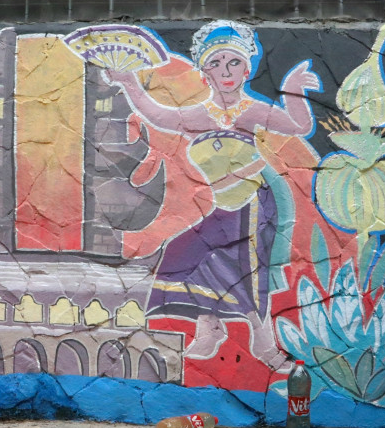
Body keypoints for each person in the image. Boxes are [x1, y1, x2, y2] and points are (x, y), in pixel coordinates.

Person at [105, 21, 319, 365]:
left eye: (233, 62)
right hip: (225, 207)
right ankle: (209, 327)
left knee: (244, 267)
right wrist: (129, 82)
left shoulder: (253, 111)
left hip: (254, 204)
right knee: (183, 253)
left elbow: (300, 126)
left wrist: (294, 92)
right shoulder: (197, 115)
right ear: (204, 73)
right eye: (215, 64)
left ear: (247, 69)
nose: (225, 71)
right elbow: (156, 114)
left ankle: (262, 341)